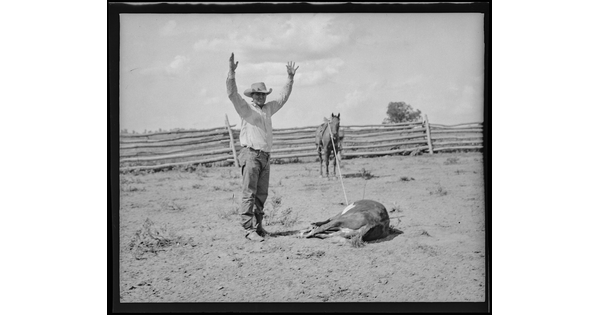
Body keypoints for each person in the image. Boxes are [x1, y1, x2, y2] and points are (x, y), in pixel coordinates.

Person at [226, 53, 299, 242]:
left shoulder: (268, 109)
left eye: (263, 94)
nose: (260, 97)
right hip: (250, 155)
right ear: (252, 96)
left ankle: (258, 227)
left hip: (265, 157)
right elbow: (232, 94)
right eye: (257, 94)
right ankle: (248, 229)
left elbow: (283, 98)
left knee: (261, 194)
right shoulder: (245, 109)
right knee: (249, 193)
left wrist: (290, 79)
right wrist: (231, 73)